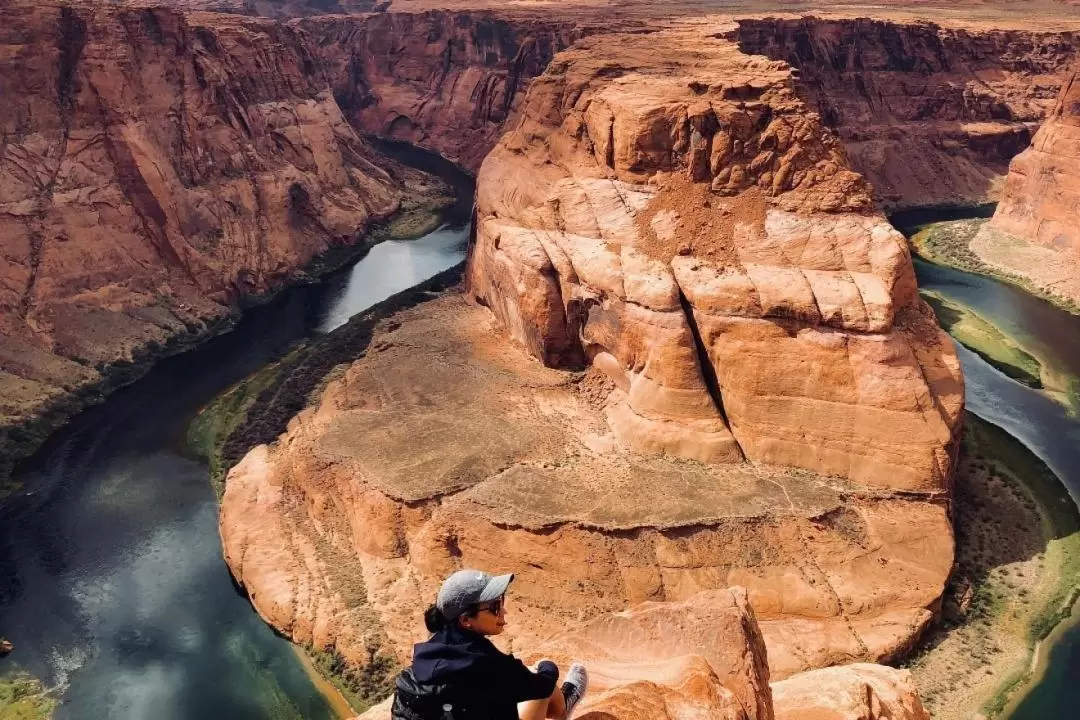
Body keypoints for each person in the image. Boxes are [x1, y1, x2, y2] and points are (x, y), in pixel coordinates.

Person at [391, 569, 588, 720]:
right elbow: (542, 686)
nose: (503, 612)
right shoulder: (489, 665)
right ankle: (564, 708)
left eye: (501, 602)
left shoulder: (425, 654)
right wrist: (548, 667)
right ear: (466, 619)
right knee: (537, 677)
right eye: (494, 607)